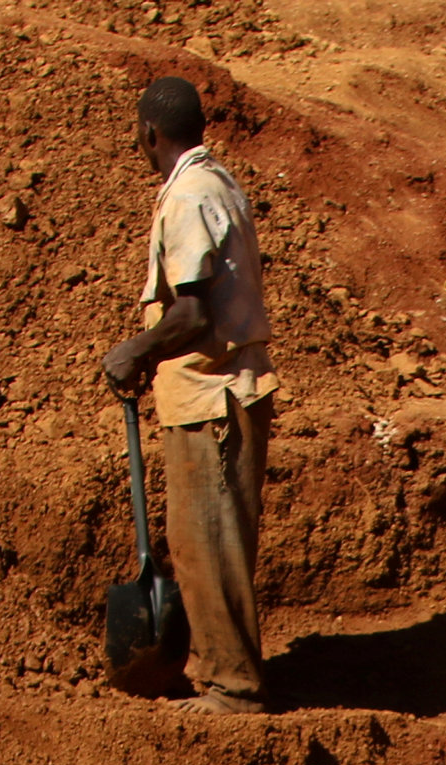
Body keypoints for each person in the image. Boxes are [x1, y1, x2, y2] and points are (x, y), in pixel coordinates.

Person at [99, 75, 277, 714]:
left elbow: (194, 314)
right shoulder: (216, 182)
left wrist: (136, 351)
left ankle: (233, 687)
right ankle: (212, 663)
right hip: (215, 391)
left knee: (209, 540)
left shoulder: (190, 197)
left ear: (148, 132)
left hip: (213, 398)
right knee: (202, 540)